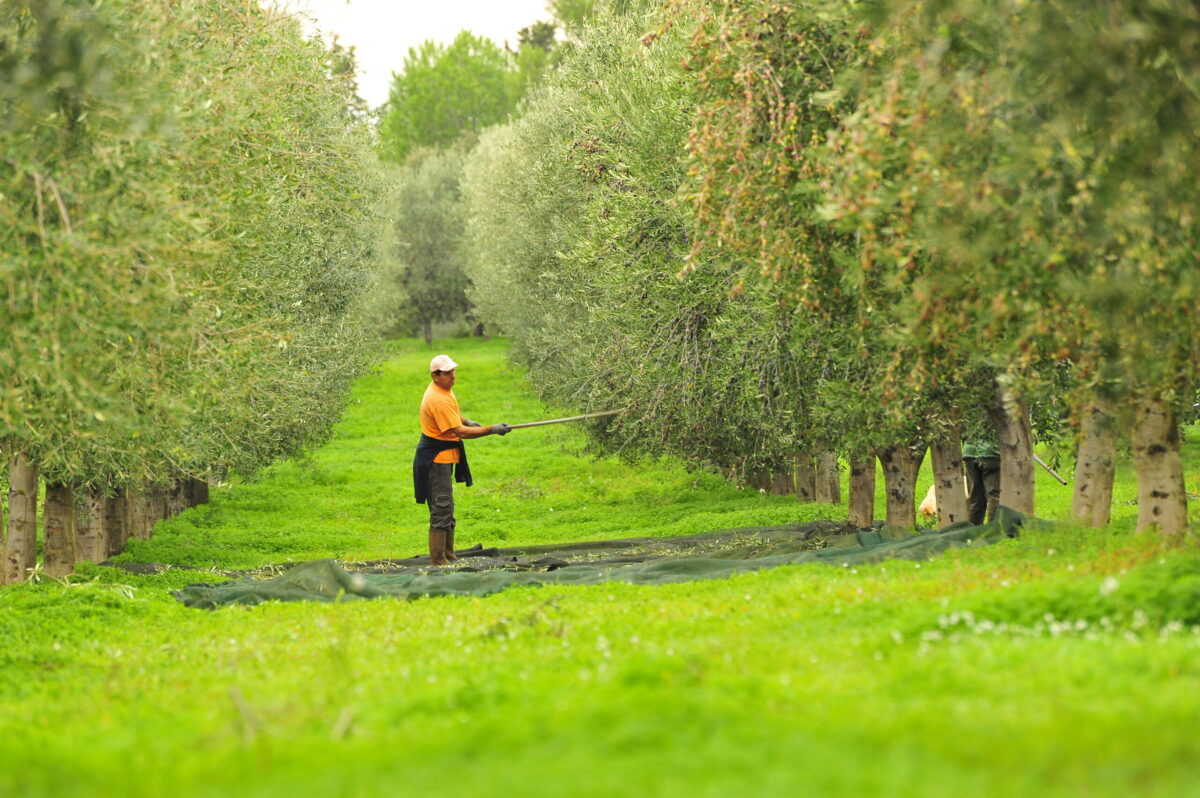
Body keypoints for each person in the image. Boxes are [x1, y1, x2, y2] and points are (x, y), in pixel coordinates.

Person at [413, 354, 511, 565]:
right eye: (447, 373)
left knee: (446, 510)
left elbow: (454, 417)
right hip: (436, 460)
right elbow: (460, 432)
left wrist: (467, 420)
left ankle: (449, 556)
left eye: (453, 371)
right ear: (435, 376)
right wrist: (492, 429)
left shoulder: (443, 390)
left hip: (444, 457)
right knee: (442, 509)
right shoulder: (437, 398)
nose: (453, 376)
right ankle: (439, 563)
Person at [962, 425, 1001, 525]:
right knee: (994, 496)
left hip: (970, 452)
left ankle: (973, 533)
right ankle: (994, 531)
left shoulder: (967, 409)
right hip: (992, 453)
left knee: (975, 497)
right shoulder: (997, 408)